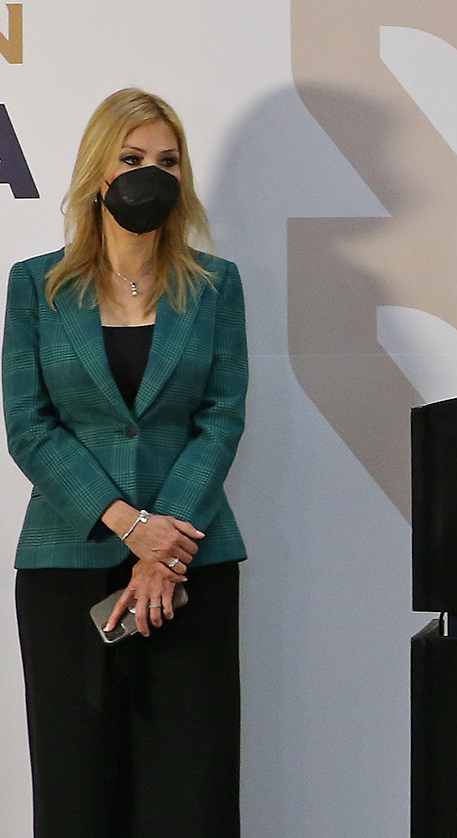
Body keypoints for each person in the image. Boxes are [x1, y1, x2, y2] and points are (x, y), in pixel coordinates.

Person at [3, 88, 247, 838]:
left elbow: (221, 418)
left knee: (191, 790)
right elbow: (30, 426)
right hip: (66, 564)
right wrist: (130, 526)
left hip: (190, 564)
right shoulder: (37, 285)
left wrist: (162, 549)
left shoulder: (216, 286)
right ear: (98, 173)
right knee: (77, 792)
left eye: (168, 162)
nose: (152, 175)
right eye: (134, 159)